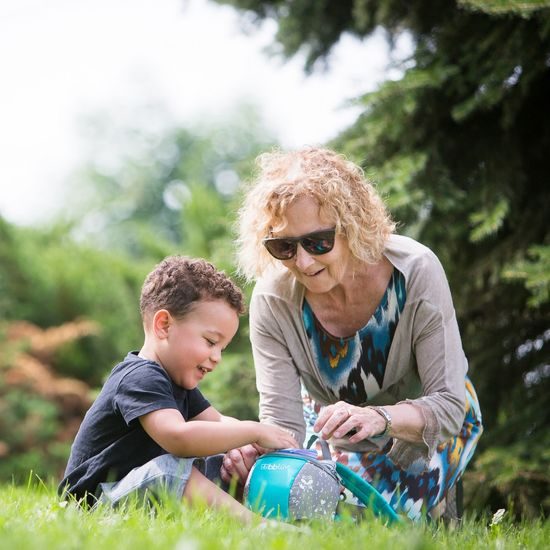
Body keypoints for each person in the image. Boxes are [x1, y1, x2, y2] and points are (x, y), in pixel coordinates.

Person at [221, 147, 483, 521]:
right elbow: (282, 423)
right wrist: (260, 458)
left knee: (371, 521)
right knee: (303, 511)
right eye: (284, 247)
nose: (303, 262)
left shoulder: (416, 271)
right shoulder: (272, 299)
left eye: (318, 242)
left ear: (352, 224)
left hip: (427, 429)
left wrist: (380, 417)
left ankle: (438, 504)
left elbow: (448, 407)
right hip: (334, 434)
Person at [59, 256, 297, 523]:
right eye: (210, 341)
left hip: (138, 487)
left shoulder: (177, 381)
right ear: (164, 325)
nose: (217, 357)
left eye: (222, 348)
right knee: (170, 470)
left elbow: (218, 422)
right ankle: (256, 525)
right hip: (96, 500)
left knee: (222, 462)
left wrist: (253, 444)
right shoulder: (139, 377)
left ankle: (272, 510)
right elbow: (179, 438)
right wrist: (254, 430)